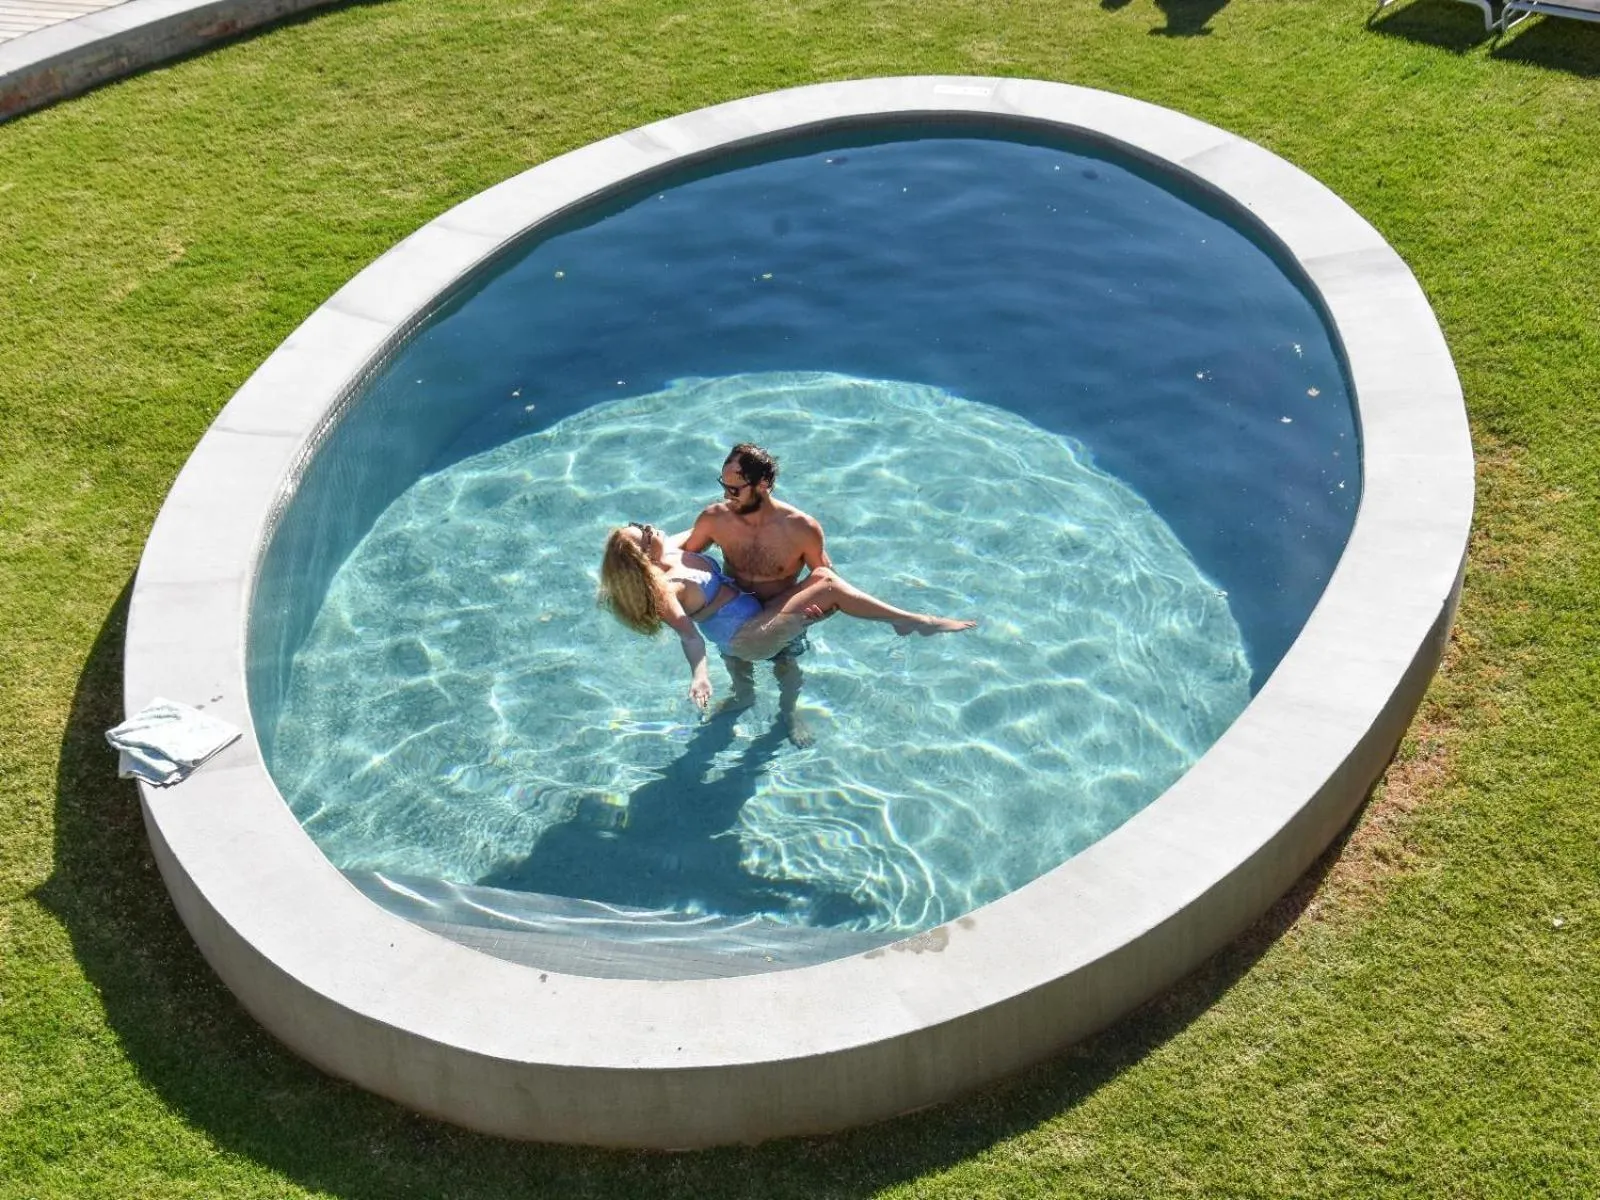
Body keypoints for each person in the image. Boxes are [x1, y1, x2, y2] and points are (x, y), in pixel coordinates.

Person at [597, 521, 974, 713]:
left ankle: (766, 709)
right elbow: (689, 635)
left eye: (643, 523)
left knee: (779, 667)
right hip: (747, 636)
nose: (653, 527)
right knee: (826, 583)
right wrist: (699, 675)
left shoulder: (673, 550)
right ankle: (908, 620)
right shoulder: (667, 588)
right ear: (644, 557)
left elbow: (710, 524)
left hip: (752, 621)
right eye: (646, 532)